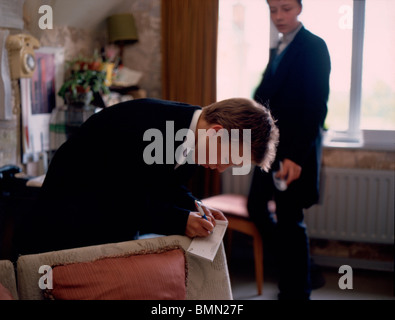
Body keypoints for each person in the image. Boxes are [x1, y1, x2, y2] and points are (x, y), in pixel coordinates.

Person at [14, 97, 279, 255]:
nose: (222, 169)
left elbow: (163, 185)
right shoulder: (152, 128)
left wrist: (194, 205)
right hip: (66, 226)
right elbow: (118, 198)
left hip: (105, 225)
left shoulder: (193, 137)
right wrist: (178, 220)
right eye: (228, 160)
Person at [247, 0, 331, 300]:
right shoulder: (278, 47)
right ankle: (302, 267)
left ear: (299, 8)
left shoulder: (314, 47)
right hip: (269, 149)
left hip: (296, 150)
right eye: (273, 10)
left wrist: (296, 156)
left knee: (290, 217)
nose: (278, 16)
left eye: (285, 8)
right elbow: (264, 95)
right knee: (256, 207)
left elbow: (315, 107)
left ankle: (296, 291)